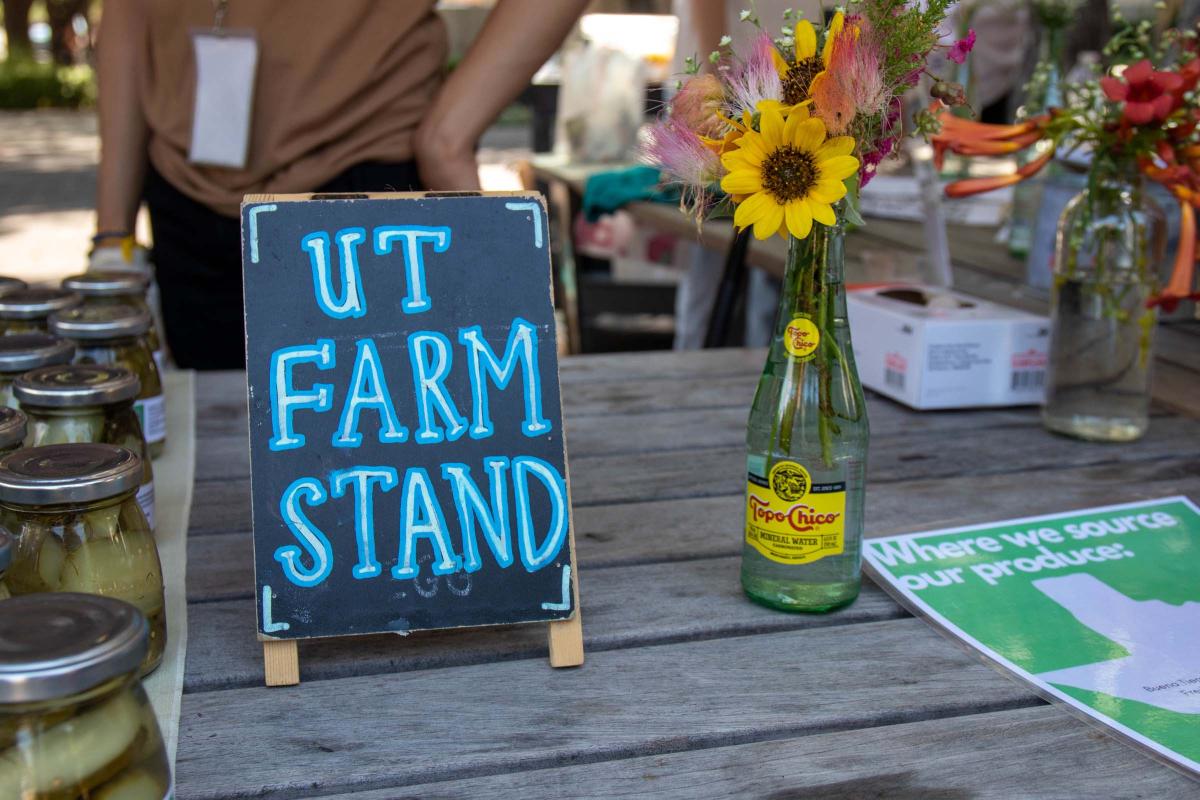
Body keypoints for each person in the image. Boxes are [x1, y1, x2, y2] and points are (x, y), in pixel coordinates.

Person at [92, 0, 588, 370]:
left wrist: (451, 133)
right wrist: (112, 238)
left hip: (367, 173)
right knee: (210, 466)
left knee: (384, 475)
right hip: (186, 184)